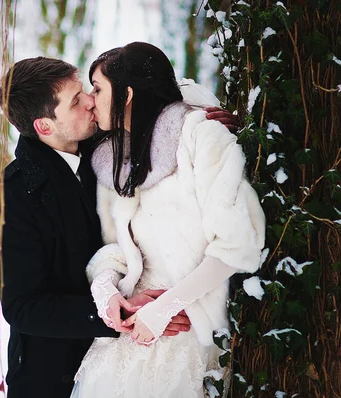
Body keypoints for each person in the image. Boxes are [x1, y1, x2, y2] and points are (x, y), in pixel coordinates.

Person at [0, 56, 237, 398]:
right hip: (53, 373)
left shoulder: (111, 141)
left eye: (86, 90)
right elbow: (23, 305)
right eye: (76, 101)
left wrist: (202, 117)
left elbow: (153, 95)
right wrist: (112, 309)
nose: (91, 101)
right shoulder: (14, 195)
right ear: (44, 126)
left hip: (141, 355)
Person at [70, 42, 266, 398]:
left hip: (187, 333)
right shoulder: (114, 158)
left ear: (127, 94)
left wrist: (164, 309)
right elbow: (117, 247)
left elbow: (238, 245)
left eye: (97, 88)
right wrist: (106, 292)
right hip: (129, 339)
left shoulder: (201, 135)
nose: (90, 99)